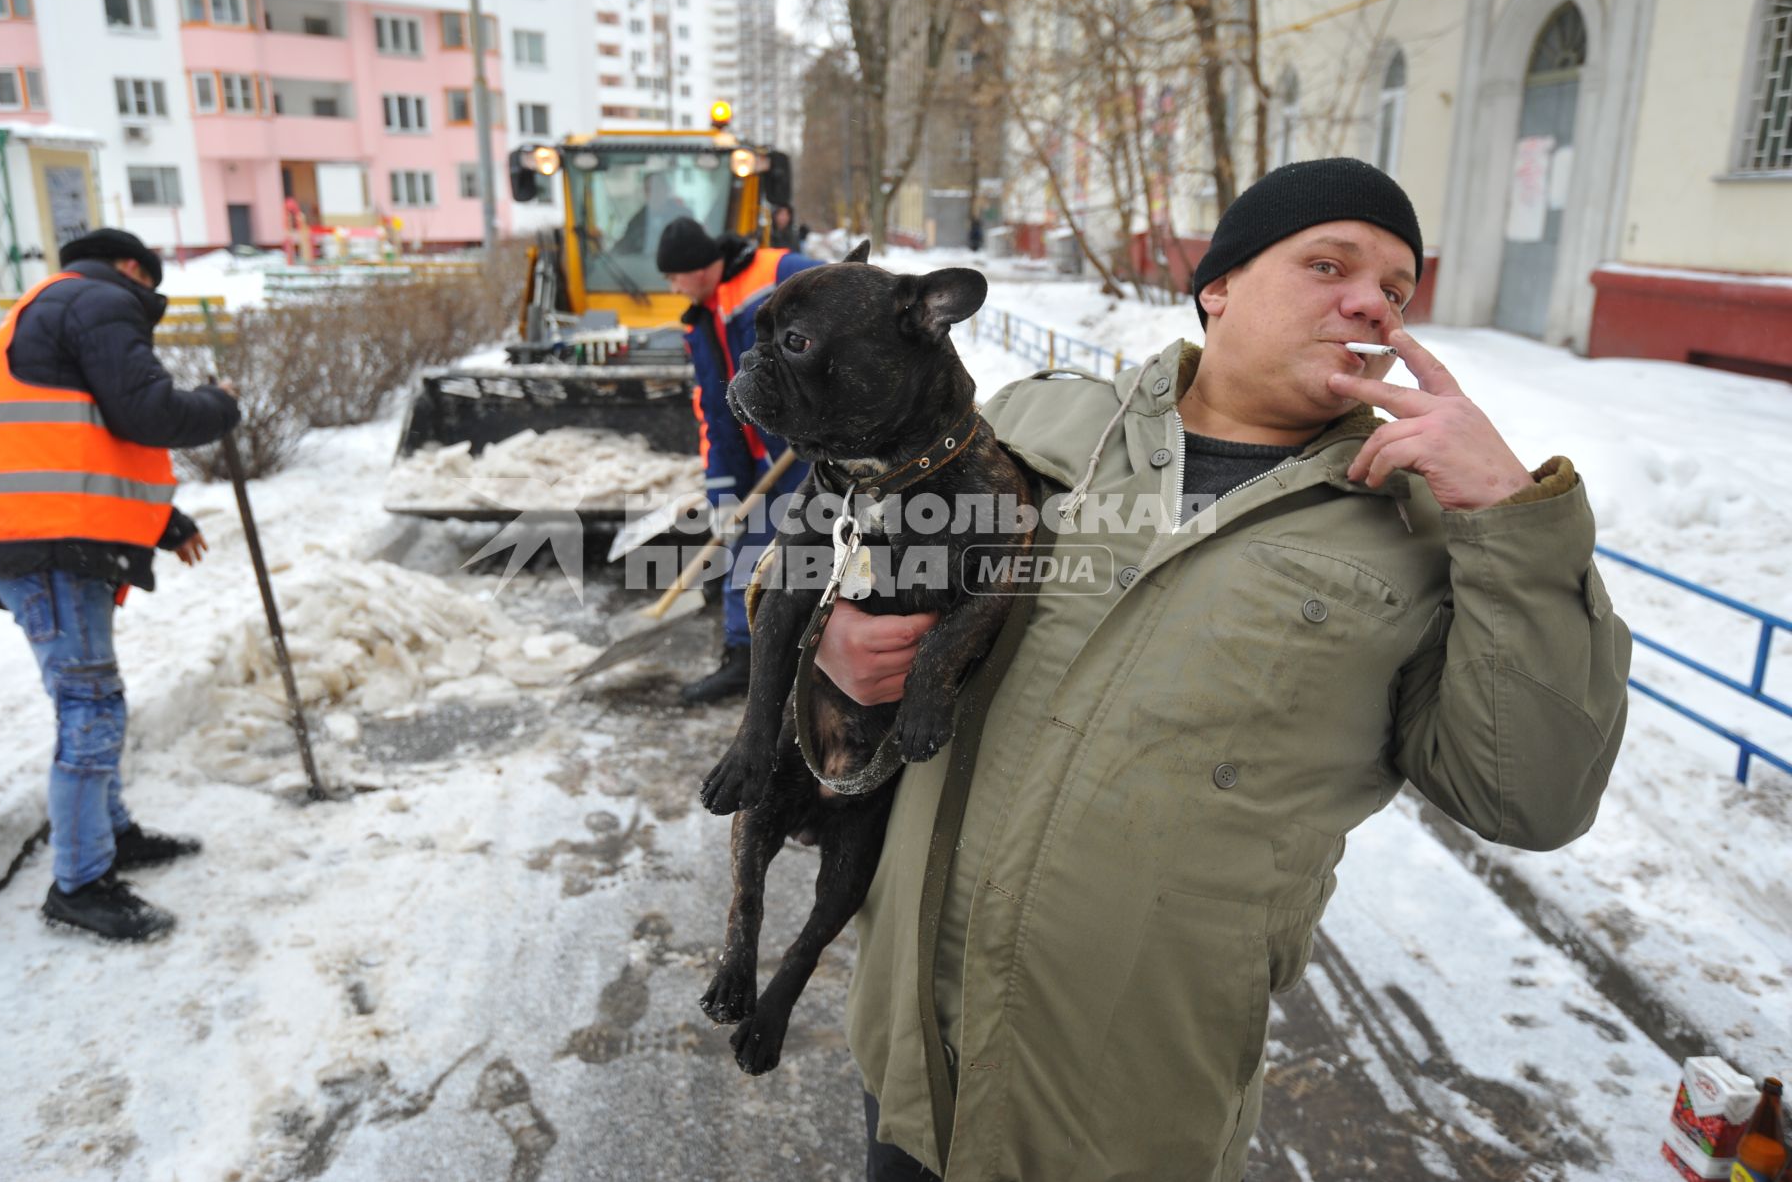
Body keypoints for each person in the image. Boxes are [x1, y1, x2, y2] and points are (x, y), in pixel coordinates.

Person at [813, 159, 1633, 1180]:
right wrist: (833, 646)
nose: (1367, 303)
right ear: (1221, 285)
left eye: (1394, 289)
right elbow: (841, 571)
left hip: (1126, 1109)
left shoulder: (1424, 527)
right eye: (1328, 263)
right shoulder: (1033, 426)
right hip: (908, 1058)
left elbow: (1532, 795)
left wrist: (1509, 514)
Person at [0, 227, 242, 943]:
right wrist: (218, 403)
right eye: (151, 284)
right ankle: (80, 883)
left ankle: (110, 835)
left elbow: (82, 442)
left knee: (89, 698)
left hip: (38, 533)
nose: (150, 299)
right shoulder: (101, 301)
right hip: (45, 544)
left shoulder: (53, 306)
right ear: (132, 269)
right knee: (91, 704)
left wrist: (162, 520)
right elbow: (148, 413)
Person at [656, 216, 820, 704]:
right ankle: (751, 658)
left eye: (673, 277)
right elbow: (714, 412)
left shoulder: (778, 271)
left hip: (805, 448)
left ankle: (763, 662)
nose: (671, 287)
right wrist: (723, 493)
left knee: (770, 553)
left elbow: (853, 300)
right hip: (762, 460)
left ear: (697, 268)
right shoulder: (703, 318)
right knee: (748, 548)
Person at [616, 170, 694, 255]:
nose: (653, 194)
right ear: (645, 193)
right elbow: (621, 250)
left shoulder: (684, 217)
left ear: (666, 190)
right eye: (648, 189)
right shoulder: (636, 223)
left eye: (657, 189)